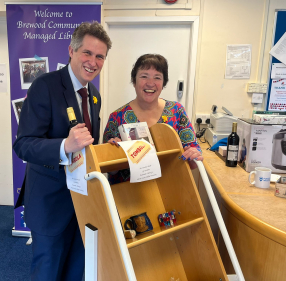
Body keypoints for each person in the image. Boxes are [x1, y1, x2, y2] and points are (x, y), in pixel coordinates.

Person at [13, 22, 112, 281]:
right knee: (47, 273)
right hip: (50, 203)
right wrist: (63, 146)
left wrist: (104, 151)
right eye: (87, 53)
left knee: (75, 271)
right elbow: (23, 144)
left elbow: (87, 146)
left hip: (82, 202)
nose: (93, 62)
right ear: (71, 50)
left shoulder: (95, 95)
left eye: (99, 56)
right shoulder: (44, 86)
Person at [103, 54, 203, 184]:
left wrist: (194, 155)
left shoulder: (177, 112)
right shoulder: (117, 117)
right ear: (134, 81)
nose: (150, 83)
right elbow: (108, 169)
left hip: (171, 193)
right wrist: (114, 154)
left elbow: (194, 163)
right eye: (144, 76)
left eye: (157, 77)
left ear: (163, 83)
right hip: (128, 196)